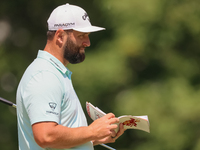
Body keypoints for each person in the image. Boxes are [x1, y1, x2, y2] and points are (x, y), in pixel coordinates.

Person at [16, 3, 125, 150]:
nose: (87, 43)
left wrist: (94, 138)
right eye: (81, 36)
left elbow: (58, 141)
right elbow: (46, 136)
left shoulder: (56, 73)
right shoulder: (44, 75)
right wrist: (92, 131)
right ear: (60, 36)